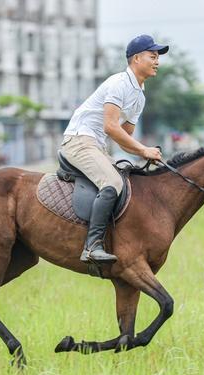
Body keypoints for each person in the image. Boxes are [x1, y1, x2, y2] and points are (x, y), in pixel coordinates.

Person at [60, 34, 167, 265]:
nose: (157, 61)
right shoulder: (119, 83)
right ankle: (92, 247)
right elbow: (110, 126)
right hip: (79, 140)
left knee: (128, 178)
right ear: (137, 58)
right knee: (113, 183)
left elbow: (123, 136)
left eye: (158, 57)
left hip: (96, 145)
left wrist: (143, 153)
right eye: (153, 56)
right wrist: (143, 150)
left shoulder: (139, 95)